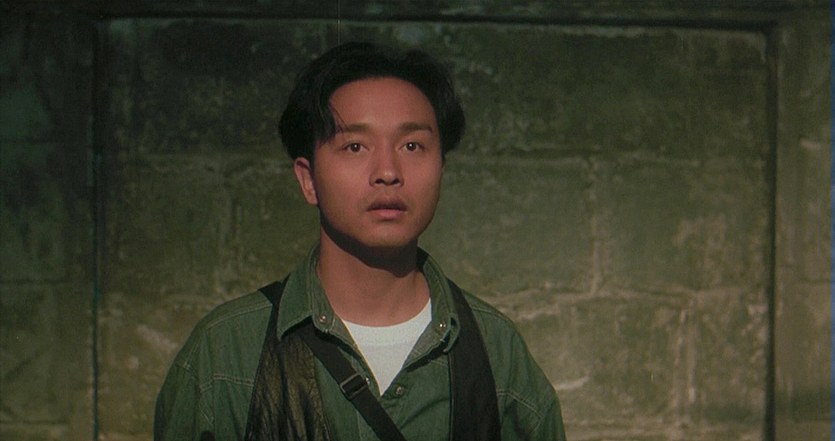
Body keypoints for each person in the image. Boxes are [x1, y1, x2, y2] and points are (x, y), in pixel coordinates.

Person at [154, 41, 566, 441]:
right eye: (355, 146)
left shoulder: (496, 352)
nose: (387, 171)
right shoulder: (226, 352)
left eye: (412, 145)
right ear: (308, 179)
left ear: (441, 168)